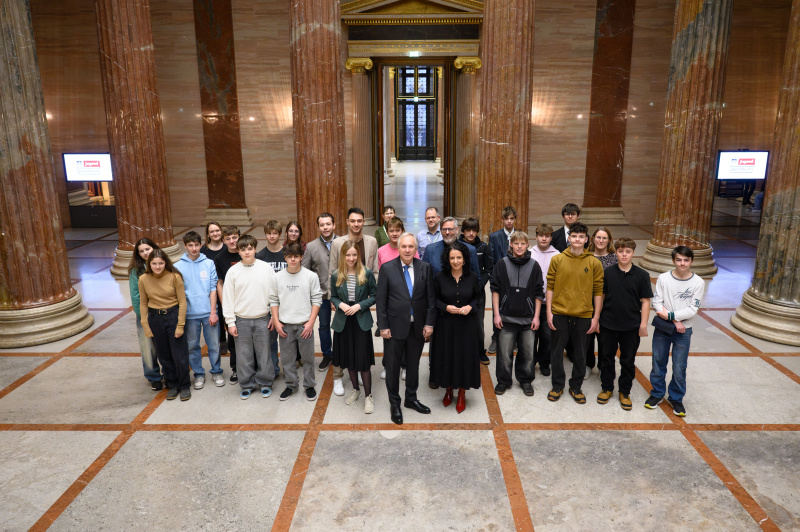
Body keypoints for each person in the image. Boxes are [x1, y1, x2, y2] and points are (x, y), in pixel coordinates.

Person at [376, 233, 436, 425]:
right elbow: (380, 301)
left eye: (411, 246)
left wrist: (429, 323)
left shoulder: (425, 267)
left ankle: (411, 398)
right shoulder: (387, 268)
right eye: (404, 246)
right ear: (399, 248)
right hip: (393, 328)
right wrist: (383, 326)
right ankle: (395, 404)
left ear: (416, 249)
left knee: (413, 365)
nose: (407, 250)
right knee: (393, 367)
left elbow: (431, 300)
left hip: (417, 327)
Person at [546, 222, 604, 404]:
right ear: (569, 238)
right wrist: (549, 312)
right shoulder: (557, 259)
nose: (577, 239)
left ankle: (576, 386)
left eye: (581, 236)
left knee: (580, 353)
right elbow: (550, 286)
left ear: (586, 239)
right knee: (556, 352)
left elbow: (598, 291)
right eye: (574, 236)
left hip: (584, 314)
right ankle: (557, 385)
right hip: (560, 312)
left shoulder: (594, 262)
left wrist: (596, 317)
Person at [646, 246, 705, 417]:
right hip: (663, 328)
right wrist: (675, 320)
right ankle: (657, 394)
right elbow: (657, 303)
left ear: (691, 261)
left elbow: (692, 309)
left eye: (686, 260)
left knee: (680, 366)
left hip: (684, 331)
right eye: (678, 260)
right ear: (673, 260)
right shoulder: (664, 278)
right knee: (658, 362)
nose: (682, 263)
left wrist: (672, 316)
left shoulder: (698, 282)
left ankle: (676, 398)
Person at [597, 237, 653, 410]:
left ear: (633, 253)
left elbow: (645, 301)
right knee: (606, 358)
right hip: (608, 324)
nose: (624, 254)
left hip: (631, 326)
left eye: (627, 252)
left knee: (628, 360)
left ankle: (624, 391)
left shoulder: (642, 275)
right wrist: (597, 319)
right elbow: (601, 297)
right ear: (615, 252)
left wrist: (643, 324)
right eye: (620, 251)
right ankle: (607, 388)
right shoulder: (608, 273)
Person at [328, 207, 378, 396]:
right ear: (347, 222)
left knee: (360, 348)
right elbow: (333, 273)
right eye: (353, 220)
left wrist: (365, 299)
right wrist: (335, 301)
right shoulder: (338, 243)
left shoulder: (371, 241)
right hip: (343, 302)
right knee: (343, 348)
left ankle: (363, 385)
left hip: (361, 300)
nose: (356, 224)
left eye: (359, 220)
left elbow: (374, 270)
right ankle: (338, 378)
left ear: (363, 222)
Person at [222, 235, 276, 400]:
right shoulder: (233, 271)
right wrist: (230, 322)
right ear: (238, 251)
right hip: (241, 320)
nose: (247, 252)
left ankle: (265, 383)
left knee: (264, 354)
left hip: (263, 318)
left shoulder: (266, 268)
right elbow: (228, 298)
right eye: (243, 249)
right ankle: (246, 384)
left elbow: (274, 294)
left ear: (255, 249)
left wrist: (274, 315)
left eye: (250, 249)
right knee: (243, 355)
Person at [431, 241, 482, 413]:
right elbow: (434, 299)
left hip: (467, 326)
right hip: (446, 325)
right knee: (447, 356)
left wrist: (470, 306)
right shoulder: (440, 277)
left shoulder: (472, 277)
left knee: (464, 357)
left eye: (458, 257)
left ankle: (461, 393)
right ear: (447, 259)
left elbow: (478, 298)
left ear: (465, 259)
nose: (455, 261)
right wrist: (445, 307)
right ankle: (448, 390)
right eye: (452, 258)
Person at [490, 231, 543, 397]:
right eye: (516, 243)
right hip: (506, 318)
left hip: (528, 319)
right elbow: (495, 290)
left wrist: (536, 316)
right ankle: (503, 381)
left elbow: (538, 293)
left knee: (528, 354)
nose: (519, 247)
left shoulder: (534, 266)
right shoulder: (501, 264)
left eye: (522, 243)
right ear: (511, 245)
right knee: (504, 354)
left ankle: (525, 380)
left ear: (527, 245)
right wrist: (496, 314)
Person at [271, 243, 323, 401]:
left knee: (308, 358)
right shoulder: (277, 277)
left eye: (296, 256)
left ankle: (309, 385)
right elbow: (273, 300)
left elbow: (317, 299)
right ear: (285, 257)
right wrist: (276, 321)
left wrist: (311, 322)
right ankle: (291, 384)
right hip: (285, 325)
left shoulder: (310, 276)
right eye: (289, 256)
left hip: (304, 324)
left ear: (301, 257)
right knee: (287, 359)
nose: (292, 259)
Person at [139, 248, 190, 401]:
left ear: (165, 263)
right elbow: (143, 303)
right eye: (154, 263)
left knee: (179, 355)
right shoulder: (143, 279)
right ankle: (172, 384)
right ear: (149, 264)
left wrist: (180, 325)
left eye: (160, 263)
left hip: (173, 315)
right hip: (155, 318)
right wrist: (145, 325)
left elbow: (182, 302)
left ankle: (184, 385)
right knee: (164, 355)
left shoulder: (174, 277)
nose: (158, 266)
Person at [174, 231, 223, 389]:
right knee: (192, 346)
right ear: (185, 246)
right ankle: (199, 373)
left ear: (201, 245)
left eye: (196, 245)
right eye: (190, 245)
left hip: (208, 312)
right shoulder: (177, 267)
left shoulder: (209, 263)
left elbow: (213, 288)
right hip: (190, 315)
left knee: (214, 345)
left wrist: (213, 312)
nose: (194, 248)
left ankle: (216, 371)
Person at [302, 213, 337, 372]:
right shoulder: (311, 247)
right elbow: (305, 271)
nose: (325, 227)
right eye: (322, 225)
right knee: (323, 326)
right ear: (318, 227)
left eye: (328, 224)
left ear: (334, 225)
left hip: (340, 294)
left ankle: (341, 353)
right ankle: (327, 354)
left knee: (342, 326)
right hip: (321, 295)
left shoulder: (343, 243)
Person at [128, 238, 163, 390]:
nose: (145, 253)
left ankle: (168, 372)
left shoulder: (162, 264)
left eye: (147, 249)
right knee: (148, 347)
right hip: (145, 313)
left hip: (163, 311)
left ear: (154, 248)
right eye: (141, 251)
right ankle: (153, 376)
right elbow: (135, 296)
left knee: (163, 345)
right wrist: (143, 316)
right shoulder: (135, 271)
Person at [459, 217, 493, 365]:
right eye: (468, 230)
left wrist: (479, 285)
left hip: (477, 291)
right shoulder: (457, 246)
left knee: (478, 323)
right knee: (460, 321)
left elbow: (488, 269)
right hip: (459, 289)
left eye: (474, 230)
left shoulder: (483, 247)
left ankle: (480, 351)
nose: (471, 233)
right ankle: (462, 351)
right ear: (463, 231)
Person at [585, 227, 618, 377]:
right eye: (598, 237)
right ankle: (588, 364)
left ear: (609, 240)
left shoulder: (615, 258)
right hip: (587, 301)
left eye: (604, 238)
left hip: (608, 303)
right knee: (587, 336)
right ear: (592, 239)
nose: (601, 240)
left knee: (605, 337)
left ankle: (603, 366)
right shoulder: (586, 256)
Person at [256, 220, 287, 378]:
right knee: (271, 340)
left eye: (275, 233)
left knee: (288, 340)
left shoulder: (287, 253)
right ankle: (274, 369)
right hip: (269, 304)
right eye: (269, 233)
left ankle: (289, 369)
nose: (272, 236)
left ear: (280, 234)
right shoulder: (260, 256)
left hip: (287, 303)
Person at [487, 206, 517, 354]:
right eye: (507, 219)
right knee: (497, 308)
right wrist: (495, 278)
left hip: (516, 279)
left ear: (515, 219)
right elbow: (491, 259)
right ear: (503, 220)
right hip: (499, 278)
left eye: (511, 218)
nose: (509, 221)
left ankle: (514, 338)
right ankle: (496, 337)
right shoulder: (494, 236)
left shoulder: (519, 235)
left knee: (514, 307)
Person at [529, 224, 558, 377]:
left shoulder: (557, 255)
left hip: (549, 303)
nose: (544, 238)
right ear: (536, 237)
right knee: (531, 334)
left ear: (551, 238)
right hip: (532, 302)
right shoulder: (529, 253)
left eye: (547, 236)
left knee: (547, 335)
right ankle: (531, 361)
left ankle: (545, 362)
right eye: (541, 235)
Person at [214, 226, 242, 383]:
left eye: (234, 237)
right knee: (233, 339)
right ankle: (236, 369)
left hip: (247, 303)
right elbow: (220, 283)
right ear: (223, 240)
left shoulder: (246, 253)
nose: (232, 241)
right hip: (231, 305)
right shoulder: (219, 258)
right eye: (228, 238)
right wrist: (225, 306)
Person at [200, 221, 228, 355]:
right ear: (208, 234)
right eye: (212, 231)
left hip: (225, 286)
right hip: (210, 288)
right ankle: (221, 340)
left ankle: (231, 338)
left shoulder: (227, 247)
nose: (215, 233)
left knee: (226, 313)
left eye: (217, 230)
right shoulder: (203, 250)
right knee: (216, 313)